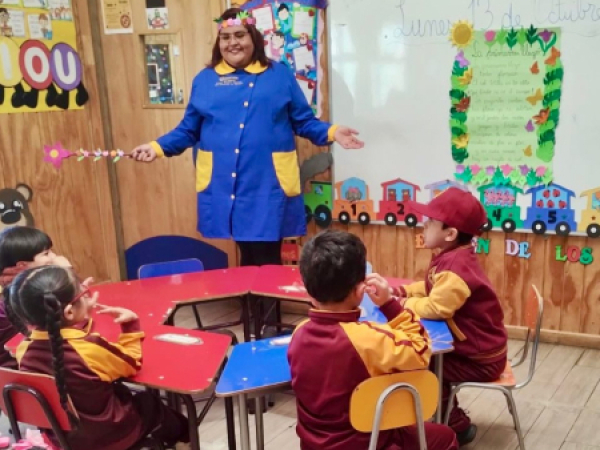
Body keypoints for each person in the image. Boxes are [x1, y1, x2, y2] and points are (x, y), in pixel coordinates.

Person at [131, 7, 363, 334]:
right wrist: (156, 147)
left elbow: (303, 121)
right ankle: (255, 320)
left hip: (267, 182)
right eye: (225, 37)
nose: (233, 43)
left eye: (239, 35)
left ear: (254, 37)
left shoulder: (279, 75)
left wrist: (332, 131)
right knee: (247, 253)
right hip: (228, 185)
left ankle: (267, 323)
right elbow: (188, 130)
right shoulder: (206, 80)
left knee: (267, 255)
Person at [288, 230, 458, 450]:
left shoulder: (298, 334)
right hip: (370, 443)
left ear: (308, 292)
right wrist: (389, 304)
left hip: (313, 445)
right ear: (360, 290)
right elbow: (421, 349)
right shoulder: (369, 339)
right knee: (445, 437)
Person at [9, 266, 191, 450]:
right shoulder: (90, 349)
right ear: (69, 312)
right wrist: (130, 325)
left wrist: (82, 313)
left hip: (63, 439)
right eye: (84, 293)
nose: (88, 296)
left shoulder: (23, 350)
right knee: (151, 403)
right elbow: (132, 362)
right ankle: (186, 439)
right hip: (110, 437)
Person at [393, 188, 508, 445]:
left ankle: (456, 426)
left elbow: (437, 307)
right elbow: (433, 288)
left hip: (481, 360)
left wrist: (401, 304)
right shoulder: (453, 257)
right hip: (477, 350)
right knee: (427, 359)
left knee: (428, 365)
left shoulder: (455, 267)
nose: (424, 225)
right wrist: (403, 291)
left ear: (450, 234)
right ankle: (442, 417)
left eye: (431, 221)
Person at [0, 226, 71, 369]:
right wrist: (68, 272)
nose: (54, 257)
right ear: (22, 265)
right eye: (46, 253)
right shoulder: (30, 293)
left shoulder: (13, 282)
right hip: (26, 368)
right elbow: (75, 310)